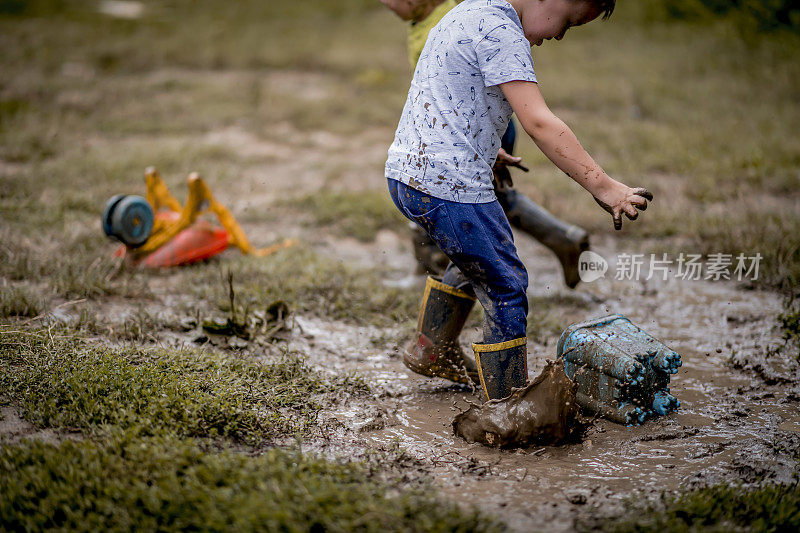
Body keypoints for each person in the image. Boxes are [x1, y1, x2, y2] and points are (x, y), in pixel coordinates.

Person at [385, 0, 653, 400]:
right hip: (450, 184)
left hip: (408, 175)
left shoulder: (465, 11)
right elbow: (539, 122)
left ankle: (431, 349)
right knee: (507, 284)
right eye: (570, 21)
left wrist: (485, 149)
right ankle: (511, 405)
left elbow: (447, 93)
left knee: (477, 259)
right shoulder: (503, 32)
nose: (561, 34)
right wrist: (605, 186)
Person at [382, 0, 590, 291]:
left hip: (472, 127)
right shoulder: (425, 21)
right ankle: (562, 237)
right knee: (488, 202)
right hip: (458, 126)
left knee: (452, 200)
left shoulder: (448, 18)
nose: (385, 4)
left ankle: (434, 275)